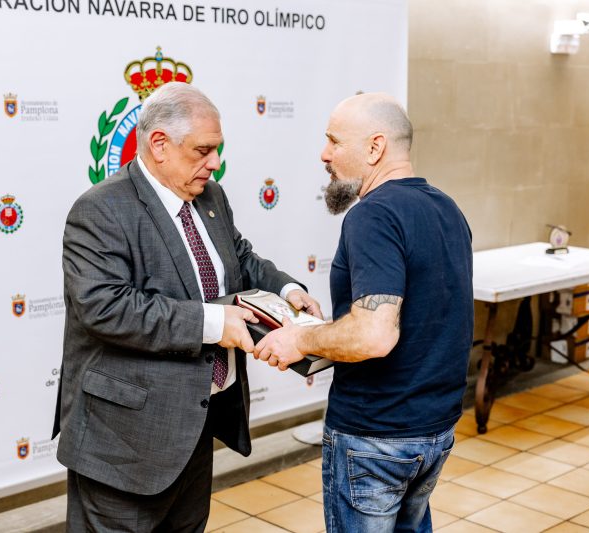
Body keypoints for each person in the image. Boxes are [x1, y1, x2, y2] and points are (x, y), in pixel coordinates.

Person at [52, 81, 322, 532]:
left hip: (193, 426)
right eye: (203, 150)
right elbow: (105, 308)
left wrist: (288, 289)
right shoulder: (101, 209)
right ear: (159, 144)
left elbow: (241, 258)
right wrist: (216, 323)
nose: (214, 163)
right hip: (123, 442)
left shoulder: (210, 196)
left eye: (217, 150)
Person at [255, 92, 473, 532]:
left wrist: (299, 338)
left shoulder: (373, 215)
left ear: (375, 148)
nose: (325, 154)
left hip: (376, 437)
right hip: (435, 432)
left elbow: (374, 335)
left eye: (334, 141)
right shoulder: (446, 207)